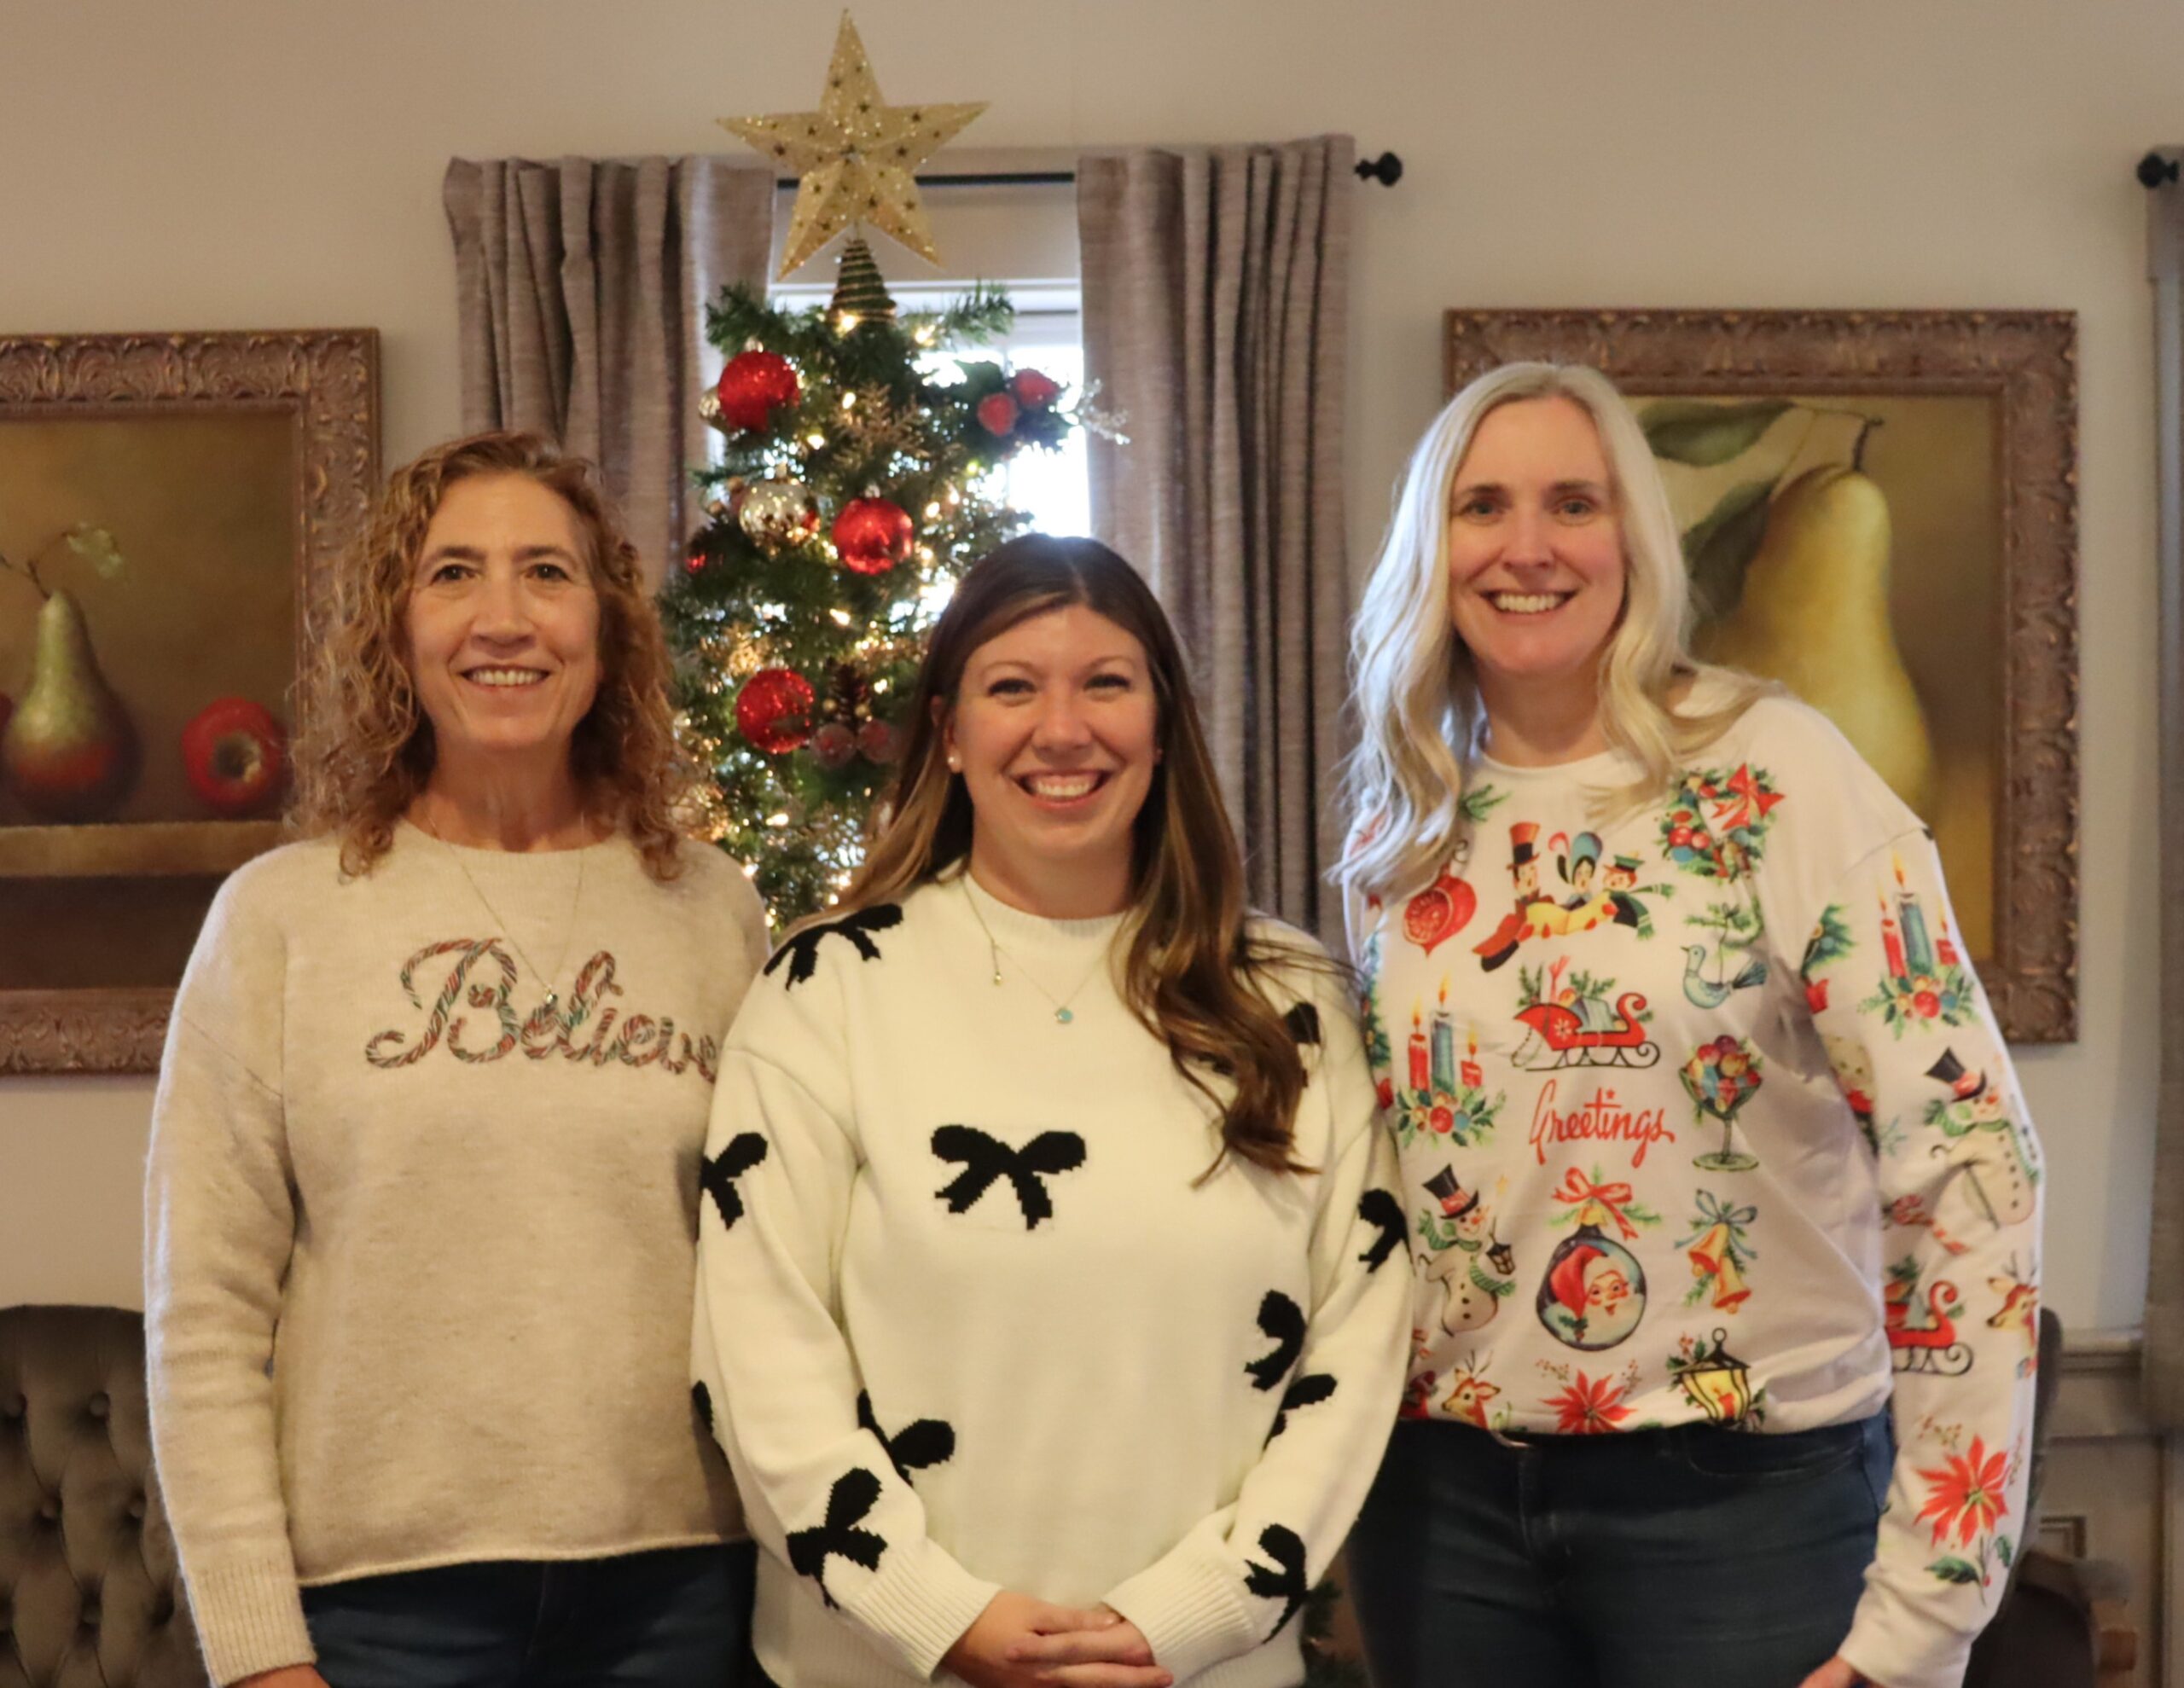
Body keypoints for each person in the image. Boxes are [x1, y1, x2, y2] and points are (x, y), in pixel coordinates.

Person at [1337, 363, 2042, 1688]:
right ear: (1434, 544)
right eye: (1482, 505)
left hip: (1744, 1502)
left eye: (1573, 503)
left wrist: (1933, 1605)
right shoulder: (1406, 821)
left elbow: (1973, 1165)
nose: (1527, 545)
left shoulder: (1779, 772)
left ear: (1637, 540)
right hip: (1442, 1508)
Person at [689, 535, 1410, 1688]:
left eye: (1107, 683)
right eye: (1013, 687)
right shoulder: (825, 995)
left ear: (1164, 724)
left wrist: (1200, 1610)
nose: (1062, 729)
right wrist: (938, 1615)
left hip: (1205, 1669)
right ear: (951, 733)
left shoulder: (1292, 999)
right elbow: (761, 1353)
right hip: (883, 1667)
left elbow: (1361, 1344)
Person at [145, 432, 771, 1688]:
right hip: (380, 1619)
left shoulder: (709, 910)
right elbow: (204, 1317)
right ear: (396, 628)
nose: (504, 619)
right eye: (452, 575)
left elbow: (778, 1265)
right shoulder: (284, 916)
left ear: (606, 624)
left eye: (547, 572)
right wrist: (260, 1655)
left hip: (682, 1594)